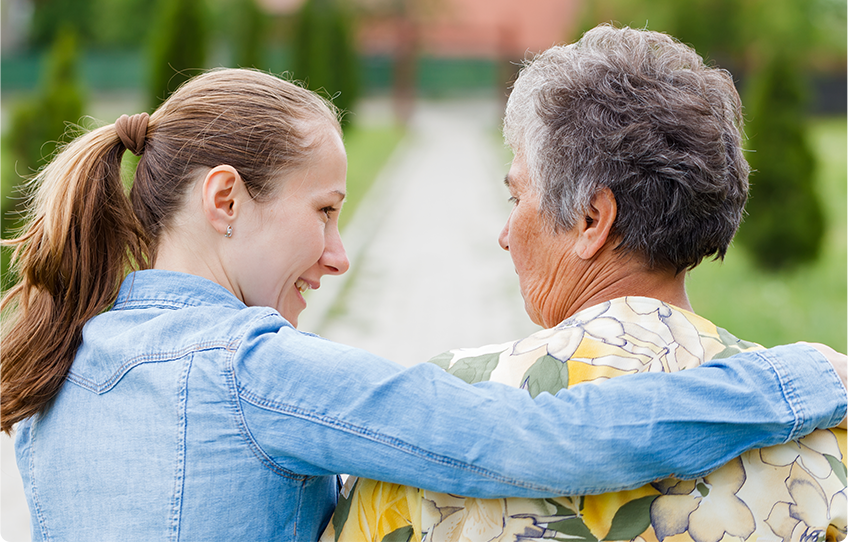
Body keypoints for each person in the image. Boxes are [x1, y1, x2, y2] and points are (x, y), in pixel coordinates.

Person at [0, 68, 845, 542]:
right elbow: (534, 442)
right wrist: (795, 381)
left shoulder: (58, 361)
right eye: (325, 210)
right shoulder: (254, 370)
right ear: (225, 199)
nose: (338, 253)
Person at [322, 25, 848, 542]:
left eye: (516, 198)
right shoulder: (824, 435)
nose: (505, 236)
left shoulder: (442, 415)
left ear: (592, 219)